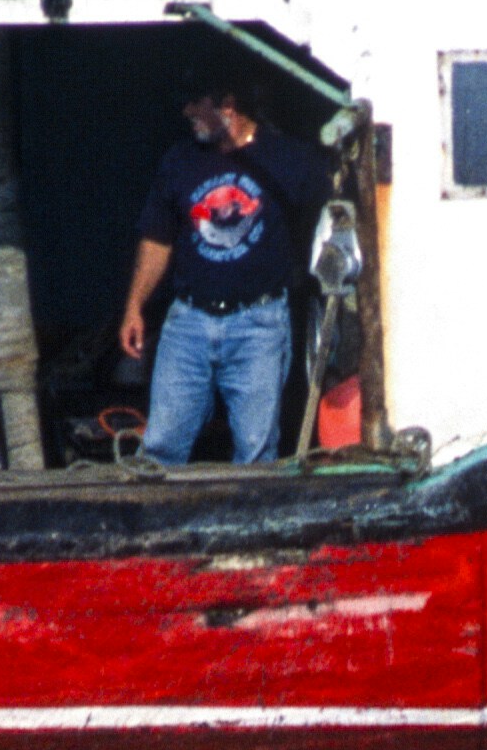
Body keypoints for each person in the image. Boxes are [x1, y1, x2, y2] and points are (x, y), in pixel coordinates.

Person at [116, 85, 328, 466]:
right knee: (161, 446)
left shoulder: (286, 158)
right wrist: (134, 306)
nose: (187, 111)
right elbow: (157, 239)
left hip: (259, 326)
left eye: (197, 102)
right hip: (188, 323)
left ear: (228, 105)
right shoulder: (180, 161)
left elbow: (335, 203)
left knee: (256, 451)